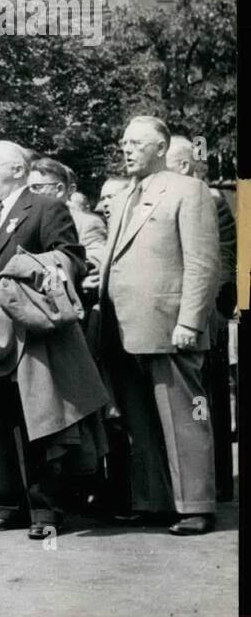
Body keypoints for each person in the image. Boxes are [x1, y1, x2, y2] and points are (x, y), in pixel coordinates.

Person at [0, 141, 104, 539]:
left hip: (28, 335)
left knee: (37, 422)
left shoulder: (44, 207)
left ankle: (46, 511)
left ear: (19, 169)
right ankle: (8, 504)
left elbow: (71, 255)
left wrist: (47, 269)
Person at [98, 118, 221, 535]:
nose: (126, 149)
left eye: (135, 143)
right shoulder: (129, 193)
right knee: (142, 420)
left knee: (184, 418)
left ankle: (196, 506)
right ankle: (154, 500)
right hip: (125, 327)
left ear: (162, 147)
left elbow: (203, 262)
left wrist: (190, 320)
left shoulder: (188, 190)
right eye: (124, 142)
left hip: (170, 325)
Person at [165, 136, 237, 504]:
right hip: (173, 314)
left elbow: (221, 262)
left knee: (206, 403)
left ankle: (219, 481)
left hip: (204, 315)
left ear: (184, 166)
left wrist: (207, 311)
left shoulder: (209, 201)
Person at [30, 157, 106, 272]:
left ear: (59, 189)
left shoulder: (88, 223)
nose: (31, 193)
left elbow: (96, 261)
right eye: (28, 189)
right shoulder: (27, 220)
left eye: (37, 187)